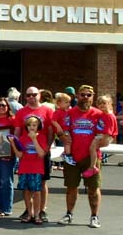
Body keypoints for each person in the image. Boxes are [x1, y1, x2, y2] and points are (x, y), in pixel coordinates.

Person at [58, 85, 104, 228]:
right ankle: (69, 214)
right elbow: (63, 131)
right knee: (71, 187)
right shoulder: (70, 113)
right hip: (72, 157)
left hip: (92, 158)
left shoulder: (99, 114)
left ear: (93, 97)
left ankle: (94, 216)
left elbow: (105, 135)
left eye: (88, 95)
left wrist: (102, 142)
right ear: (77, 96)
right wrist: (63, 136)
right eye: (82, 94)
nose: (85, 97)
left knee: (93, 188)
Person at [14, 86, 54, 223]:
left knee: (42, 182)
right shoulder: (21, 112)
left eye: (34, 94)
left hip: (42, 149)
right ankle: (29, 210)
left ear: (39, 95)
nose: (31, 97)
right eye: (28, 95)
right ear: (25, 97)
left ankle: (41, 210)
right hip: (26, 152)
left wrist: (47, 147)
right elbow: (17, 131)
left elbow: (50, 131)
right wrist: (16, 146)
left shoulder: (47, 110)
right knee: (27, 185)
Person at [9, 115, 47, 225]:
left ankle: (37, 214)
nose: (31, 127)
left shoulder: (42, 137)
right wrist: (13, 144)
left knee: (37, 192)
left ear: (38, 126)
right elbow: (20, 155)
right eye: (29, 125)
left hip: (36, 169)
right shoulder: (22, 138)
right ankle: (29, 214)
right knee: (26, 191)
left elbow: (41, 154)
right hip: (24, 168)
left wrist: (34, 139)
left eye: (34, 125)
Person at [82, 94, 118, 178]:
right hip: (100, 135)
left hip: (104, 136)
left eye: (104, 103)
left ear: (109, 104)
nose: (101, 105)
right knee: (92, 148)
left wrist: (104, 140)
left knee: (92, 148)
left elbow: (108, 131)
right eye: (99, 103)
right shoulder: (103, 114)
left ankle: (92, 167)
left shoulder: (109, 116)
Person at [52, 92, 74, 165]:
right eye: (66, 102)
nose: (68, 104)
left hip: (67, 130)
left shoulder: (67, 111)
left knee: (70, 141)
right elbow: (53, 121)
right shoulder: (58, 112)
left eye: (69, 102)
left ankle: (65, 153)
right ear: (59, 103)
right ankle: (67, 155)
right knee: (68, 141)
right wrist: (58, 127)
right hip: (62, 131)